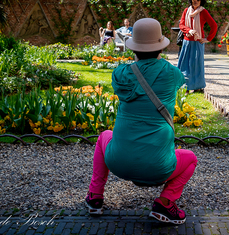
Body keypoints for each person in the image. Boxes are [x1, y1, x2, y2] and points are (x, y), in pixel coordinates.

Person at [85, 18, 198, 225]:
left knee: (104, 136)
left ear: (134, 48)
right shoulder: (170, 74)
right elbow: (180, 79)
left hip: (118, 162)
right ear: (160, 47)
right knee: (190, 158)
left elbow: (129, 75)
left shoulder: (120, 73)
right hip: (158, 167)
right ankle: (164, 203)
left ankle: (95, 197)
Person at [177, 0, 217, 93]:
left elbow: (214, 25)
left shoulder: (203, 12)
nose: (195, 1)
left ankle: (197, 87)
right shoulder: (186, 11)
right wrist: (189, 30)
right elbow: (181, 25)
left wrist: (208, 39)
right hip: (186, 42)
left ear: (201, 1)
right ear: (191, 0)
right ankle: (184, 86)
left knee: (196, 66)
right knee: (184, 65)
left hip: (198, 42)